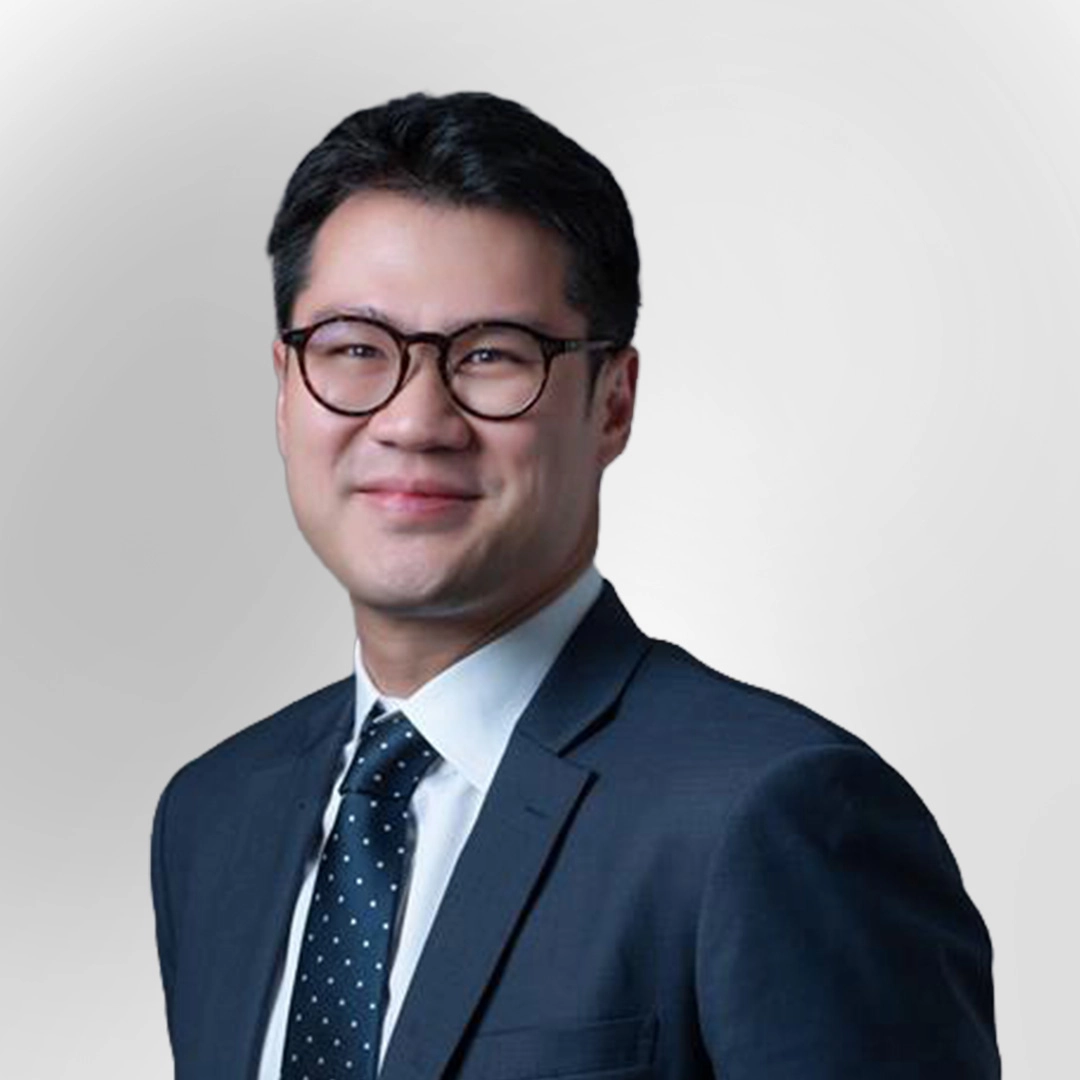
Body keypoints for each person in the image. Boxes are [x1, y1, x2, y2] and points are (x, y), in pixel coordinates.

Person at [149, 91, 1000, 1080]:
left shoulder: (773, 817)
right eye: (353, 350)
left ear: (614, 402)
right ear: (287, 388)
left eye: (492, 357)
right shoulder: (214, 818)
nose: (416, 420)